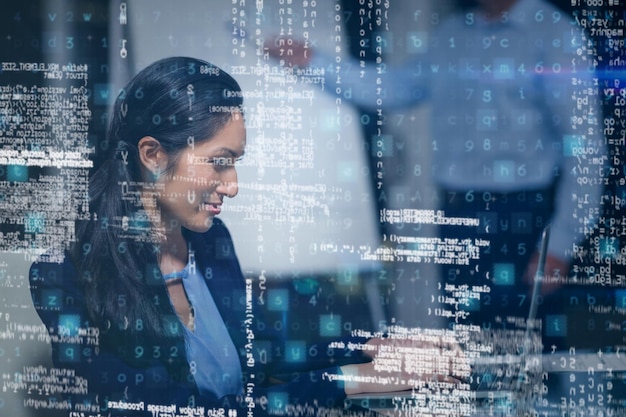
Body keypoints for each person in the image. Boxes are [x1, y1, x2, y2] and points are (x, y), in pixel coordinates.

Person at [29, 56, 465, 416]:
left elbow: (262, 346)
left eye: (235, 162)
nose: (233, 184)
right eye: (219, 161)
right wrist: (352, 379)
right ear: (153, 154)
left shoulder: (210, 241)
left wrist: (374, 348)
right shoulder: (62, 278)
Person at [267, 0, 606, 327]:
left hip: (520, 218)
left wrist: (561, 244)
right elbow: (395, 87)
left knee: (523, 353)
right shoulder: (453, 34)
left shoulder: (556, 35)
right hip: (457, 214)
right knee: (467, 350)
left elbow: (586, 148)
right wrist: (313, 62)